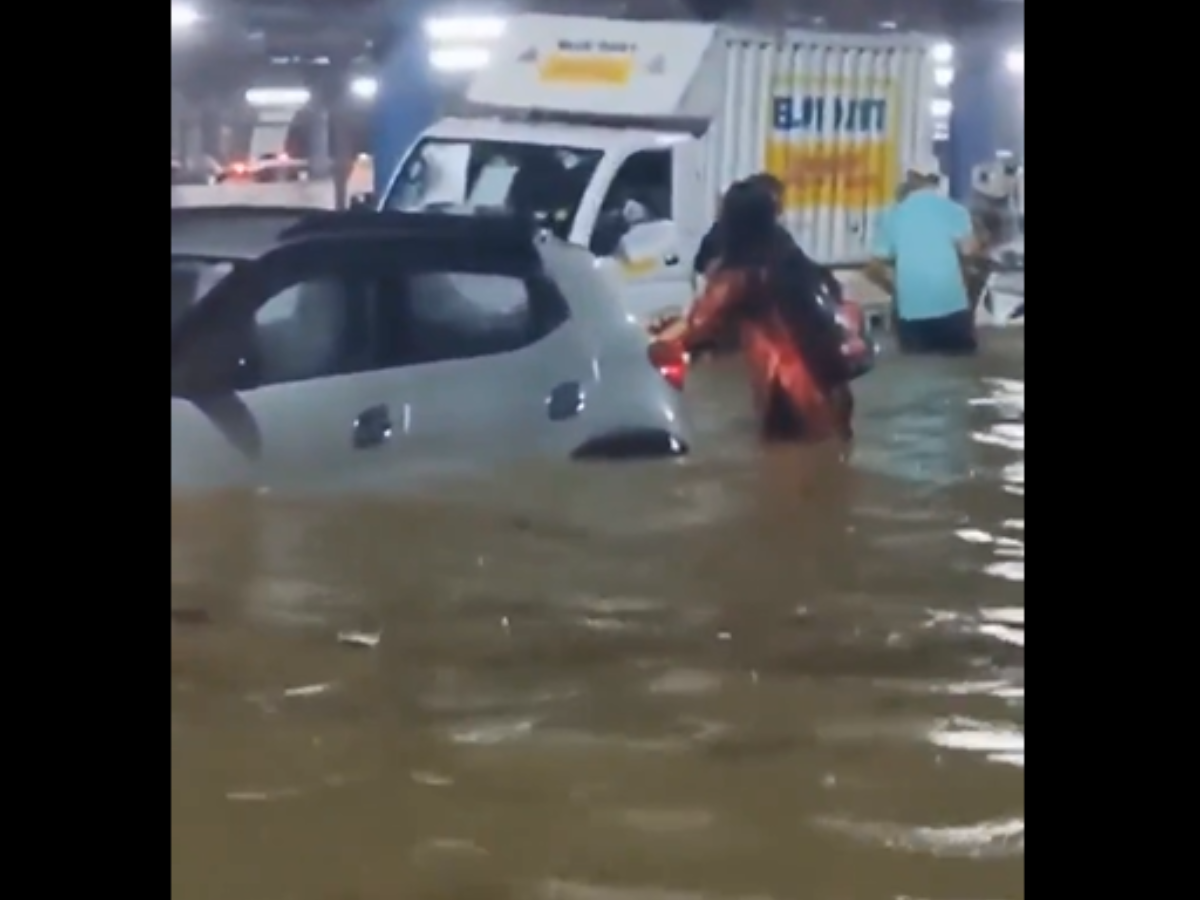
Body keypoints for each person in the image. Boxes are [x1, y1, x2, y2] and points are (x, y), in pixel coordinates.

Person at [654, 181, 856, 443]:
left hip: (786, 390)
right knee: (832, 464)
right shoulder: (792, 259)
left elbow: (696, 325)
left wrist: (648, 342)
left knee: (784, 473)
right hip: (833, 384)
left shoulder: (740, 276)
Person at [866, 158, 982, 355]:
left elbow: (873, 268)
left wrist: (896, 289)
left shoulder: (892, 214)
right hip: (952, 308)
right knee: (960, 371)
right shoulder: (954, 210)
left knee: (918, 375)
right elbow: (970, 251)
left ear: (909, 179)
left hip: (912, 313)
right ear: (936, 179)